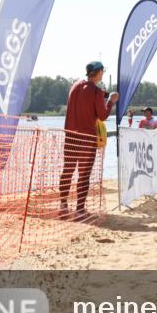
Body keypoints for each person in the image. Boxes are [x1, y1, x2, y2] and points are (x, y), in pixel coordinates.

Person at [59, 61, 117, 221]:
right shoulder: (96, 91)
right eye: (102, 71)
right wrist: (111, 101)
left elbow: (85, 97)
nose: (103, 74)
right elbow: (103, 115)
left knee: (67, 171)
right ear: (98, 72)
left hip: (70, 136)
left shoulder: (74, 86)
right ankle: (79, 210)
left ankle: (63, 205)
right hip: (87, 138)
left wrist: (103, 95)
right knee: (84, 175)